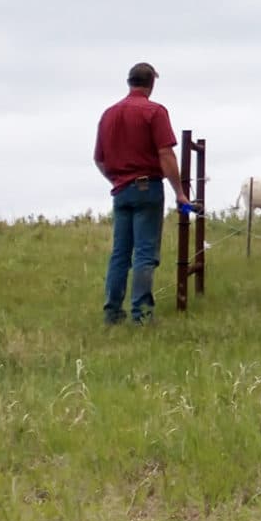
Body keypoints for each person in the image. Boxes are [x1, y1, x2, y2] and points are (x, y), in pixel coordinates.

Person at [94, 62, 198, 325]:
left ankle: (113, 312)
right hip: (147, 188)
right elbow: (165, 153)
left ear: (129, 81)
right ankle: (141, 314)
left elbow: (100, 160)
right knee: (144, 252)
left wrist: (117, 180)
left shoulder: (108, 114)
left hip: (120, 191)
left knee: (120, 253)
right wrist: (180, 194)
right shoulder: (154, 111)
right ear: (151, 82)